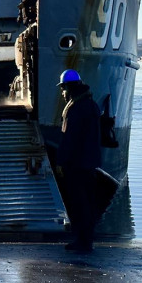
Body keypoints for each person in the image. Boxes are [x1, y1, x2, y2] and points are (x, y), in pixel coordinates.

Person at [55, 69, 102, 253]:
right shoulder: (91, 104)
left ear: (68, 88)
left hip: (76, 164)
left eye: (63, 89)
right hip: (90, 163)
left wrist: (60, 161)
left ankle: (82, 242)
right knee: (89, 202)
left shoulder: (75, 108)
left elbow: (69, 138)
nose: (62, 93)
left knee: (78, 203)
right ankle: (87, 240)